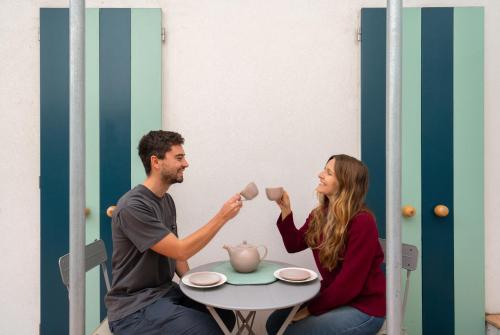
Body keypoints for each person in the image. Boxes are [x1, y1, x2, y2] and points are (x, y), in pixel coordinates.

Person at [105, 130, 241, 335]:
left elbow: (173, 254)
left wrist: (193, 285)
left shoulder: (166, 200)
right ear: (156, 162)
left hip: (164, 293)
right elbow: (180, 251)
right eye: (179, 157)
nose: (186, 163)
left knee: (224, 317)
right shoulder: (133, 206)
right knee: (208, 331)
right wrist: (222, 216)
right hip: (134, 308)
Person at [266, 154, 386, 335]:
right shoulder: (320, 214)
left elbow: (349, 285)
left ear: (345, 183)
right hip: (336, 296)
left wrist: (309, 310)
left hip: (364, 308)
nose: (320, 174)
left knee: (290, 331)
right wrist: (286, 210)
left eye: (328, 172)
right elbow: (294, 244)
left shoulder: (363, 222)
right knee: (275, 324)